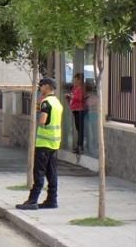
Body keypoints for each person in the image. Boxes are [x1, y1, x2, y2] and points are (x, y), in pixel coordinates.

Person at [17, 77, 64, 210]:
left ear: (47, 86)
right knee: (52, 172)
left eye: (42, 86)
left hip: (43, 143)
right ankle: (52, 200)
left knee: (39, 172)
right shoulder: (57, 102)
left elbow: (43, 121)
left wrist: (39, 114)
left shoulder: (46, 103)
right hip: (54, 143)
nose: (40, 88)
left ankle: (32, 200)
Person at [65, 72, 86, 154]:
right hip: (75, 110)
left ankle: (80, 146)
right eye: (75, 80)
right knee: (78, 128)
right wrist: (69, 97)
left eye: (78, 80)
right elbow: (72, 96)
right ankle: (78, 146)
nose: (76, 82)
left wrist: (72, 96)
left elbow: (80, 98)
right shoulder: (74, 88)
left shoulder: (82, 88)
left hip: (80, 110)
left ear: (81, 80)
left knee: (80, 129)